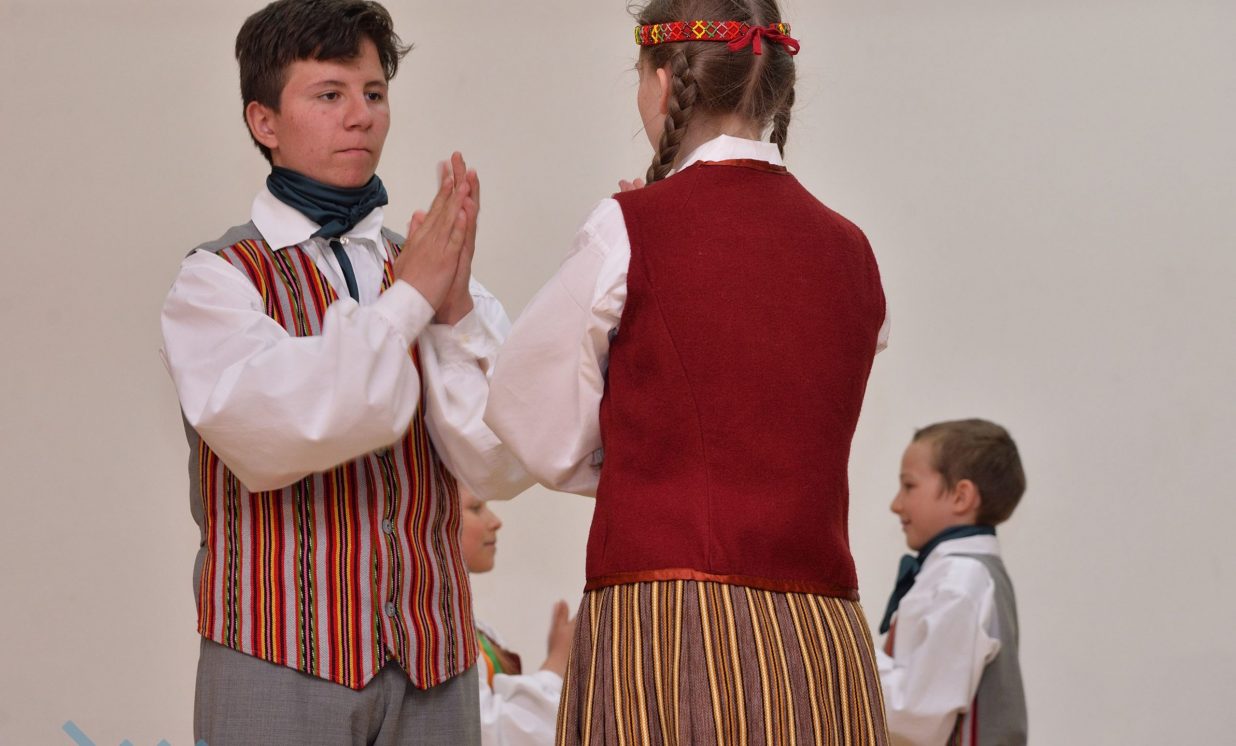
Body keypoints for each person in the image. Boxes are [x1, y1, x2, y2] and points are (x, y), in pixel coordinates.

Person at [484, 1, 892, 743]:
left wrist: (645, 464)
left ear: (663, 80)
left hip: (672, 624)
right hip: (825, 633)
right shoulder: (852, 248)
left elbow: (525, 408)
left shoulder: (630, 227)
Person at [159, 1, 530, 743]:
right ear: (264, 121)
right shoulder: (216, 281)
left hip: (436, 664)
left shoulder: (423, 265)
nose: (360, 116)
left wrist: (455, 316)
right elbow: (278, 432)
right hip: (276, 660)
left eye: (374, 93)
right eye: (329, 94)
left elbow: (501, 461)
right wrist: (411, 303)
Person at [877, 420, 1028, 745]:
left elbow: (916, 713)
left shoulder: (961, 579)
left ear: (961, 496)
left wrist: (848, 656)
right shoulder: (958, 573)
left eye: (909, 486)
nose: (896, 504)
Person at [458, 486, 576, 746]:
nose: (495, 521)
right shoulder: (438, 632)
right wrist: (556, 665)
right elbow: (484, 732)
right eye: (476, 508)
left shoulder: (475, 627)